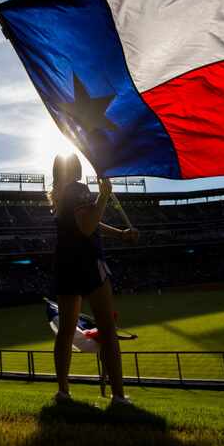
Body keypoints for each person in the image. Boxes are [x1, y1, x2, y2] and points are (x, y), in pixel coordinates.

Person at [49, 153, 138, 406]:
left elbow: (88, 221)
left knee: (65, 332)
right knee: (108, 330)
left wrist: (119, 234)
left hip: (65, 265)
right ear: (77, 168)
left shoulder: (59, 194)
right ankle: (119, 396)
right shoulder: (78, 188)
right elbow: (88, 226)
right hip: (88, 263)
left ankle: (63, 392)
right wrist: (104, 195)